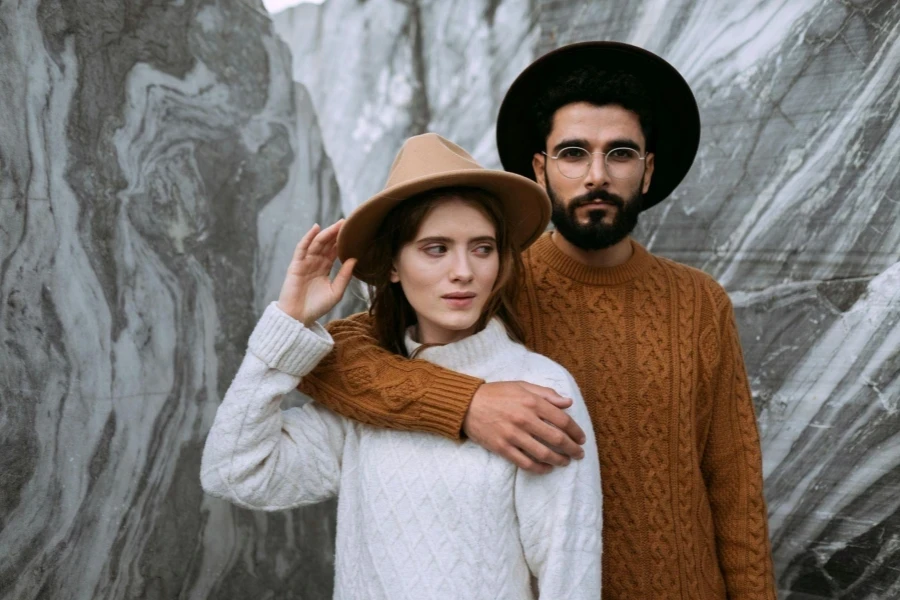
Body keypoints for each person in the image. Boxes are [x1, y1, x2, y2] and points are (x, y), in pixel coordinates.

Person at [297, 42, 778, 599]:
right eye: (574, 153)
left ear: (647, 172)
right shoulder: (491, 280)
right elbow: (331, 361)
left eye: (620, 153)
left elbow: (735, 488)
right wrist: (467, 404)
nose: (596, 174)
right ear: (540, 168)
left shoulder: (700, 302)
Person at [200, 133, 602, 599]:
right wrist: (289, 321)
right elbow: (235, 471)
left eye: (482, 248)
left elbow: (569, 569)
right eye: (436, 248)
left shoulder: (540, 389)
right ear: (392, 266)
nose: (464, 271)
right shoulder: (365, 400)